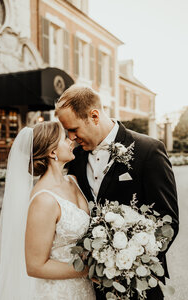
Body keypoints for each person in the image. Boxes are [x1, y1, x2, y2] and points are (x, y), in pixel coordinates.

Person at [55, 84, 179, 300]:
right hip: (91, 286)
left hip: (139, 284)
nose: (71, 137)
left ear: (94, 116)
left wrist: (130, 264)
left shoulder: (148, 150)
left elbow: (167, 222)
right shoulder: (75, 158)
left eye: (74, 129)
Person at [0, 121, 96, 300]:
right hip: (60, 292)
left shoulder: (73, 181)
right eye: (64, 138)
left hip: (84, 288)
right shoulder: (43, 200)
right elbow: (35, 266)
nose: (71, 141)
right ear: (52, 152)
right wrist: (90, 269)